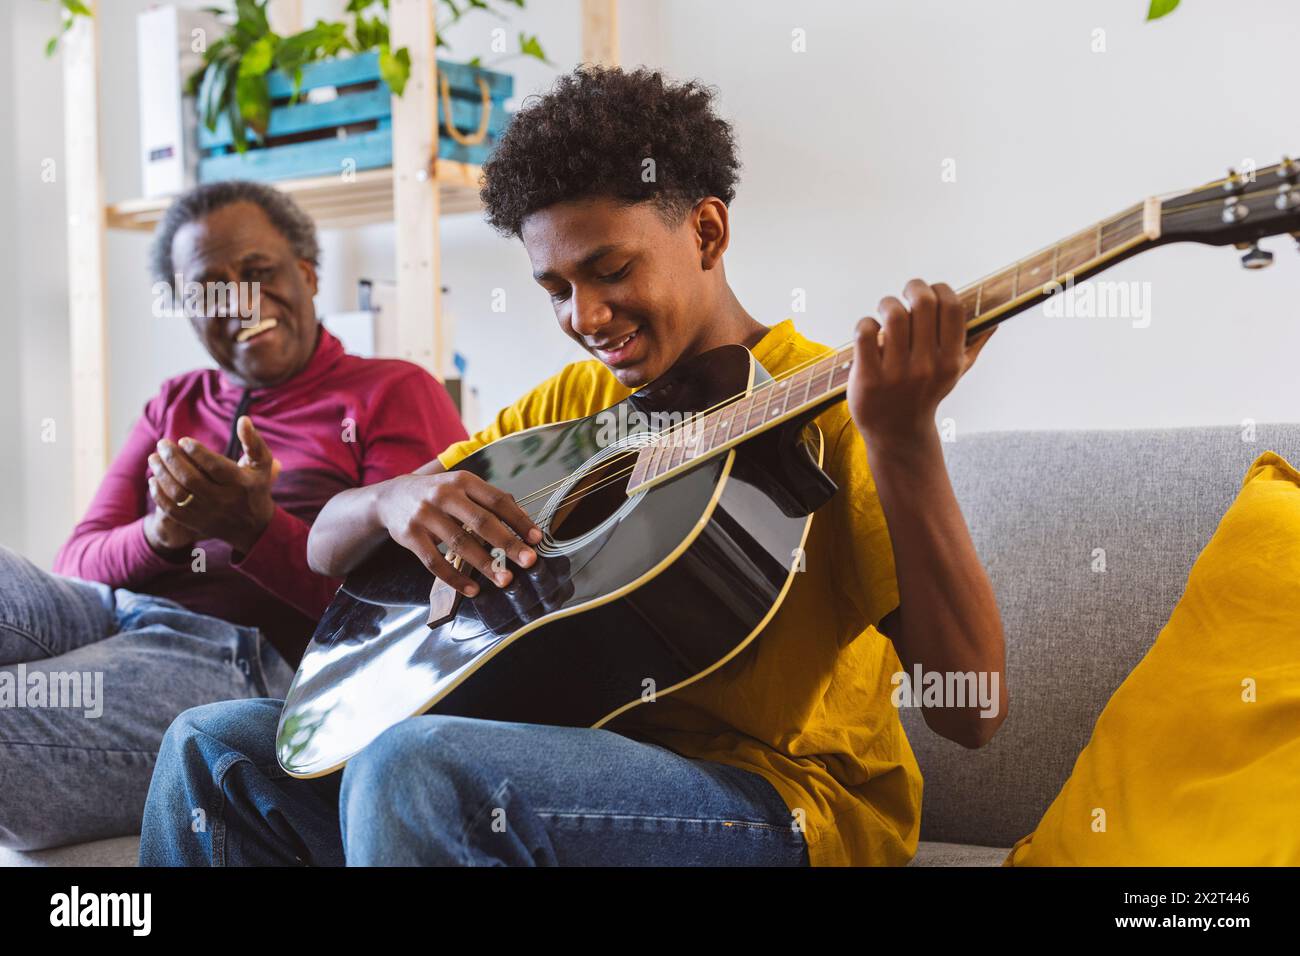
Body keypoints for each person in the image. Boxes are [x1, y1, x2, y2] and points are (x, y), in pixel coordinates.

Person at [140, 67, 1006, 867]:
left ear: (706, 231)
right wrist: (397, 498)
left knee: (417, 765)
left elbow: (973, 711)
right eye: (554, 288)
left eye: (610, 269)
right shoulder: (568, 409)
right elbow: (330, 548)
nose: (584, 315)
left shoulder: (827, 409)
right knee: (208, 748)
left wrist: (902, 439)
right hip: (560, 758)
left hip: (785, 804)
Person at [0, 181, 467, 850]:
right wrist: (166, 532)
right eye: (209, 288)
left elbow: (409, 617)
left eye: (257, 272)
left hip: (254, 661)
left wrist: (255, 528)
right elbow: (78, 564)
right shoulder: (175, 402)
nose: (239, 302)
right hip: (116, 615)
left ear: (306, 275)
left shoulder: (390, 393)